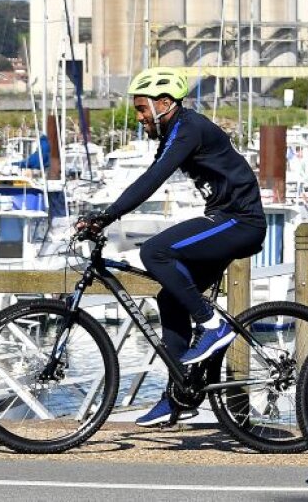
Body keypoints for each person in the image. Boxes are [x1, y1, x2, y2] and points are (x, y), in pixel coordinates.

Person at [77, 66, 266, 427]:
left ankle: (213, 327)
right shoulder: (175, 132)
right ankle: (180, 394)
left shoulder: (188, 128)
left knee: (154, 252)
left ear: (164, 103)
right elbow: (148, 177)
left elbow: (152, 180)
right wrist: (103, 215)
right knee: (170, 298)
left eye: (142, 109)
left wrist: (107, 216)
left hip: (240, 222)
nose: (139, 117)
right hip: (226, 219)